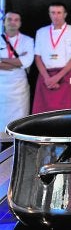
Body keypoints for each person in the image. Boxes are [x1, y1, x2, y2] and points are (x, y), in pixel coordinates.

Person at [33, 2, 71, 113]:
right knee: (43, 115)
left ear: (65, 14)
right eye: (53, 13)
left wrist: (58, 77)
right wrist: (47, 78)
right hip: (46, 76)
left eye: (59, 13)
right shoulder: (41, 32)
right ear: (49, 14)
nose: (56, 16)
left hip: (67, 75)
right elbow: (37, 57)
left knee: (69, 114)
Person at [1, 11, 34, 148]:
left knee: (19, 119)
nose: (12, 22)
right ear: (4, 22)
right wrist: (16, 60)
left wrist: (2, 61)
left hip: (19, 85)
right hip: (1, 85)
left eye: (16, 20)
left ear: (20, 23)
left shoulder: (28, 40)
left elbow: (26, 62)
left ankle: (17, 146)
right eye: (9, 19)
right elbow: (20, 61)